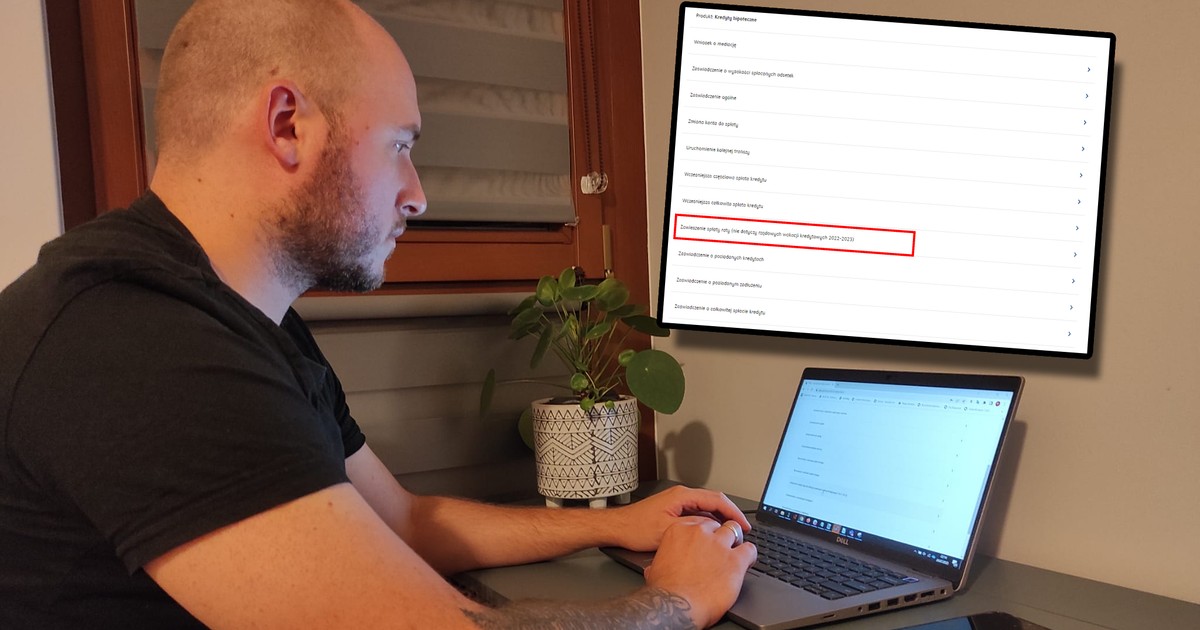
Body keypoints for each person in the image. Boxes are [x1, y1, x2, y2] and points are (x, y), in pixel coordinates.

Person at [0, 0, 757, 627]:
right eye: (398, 145)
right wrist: (678, 601)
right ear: (287, 124)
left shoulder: (244, 319)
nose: (418, 195)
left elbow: (406, 522)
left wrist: (614, 522)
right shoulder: (137, 342)